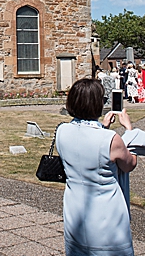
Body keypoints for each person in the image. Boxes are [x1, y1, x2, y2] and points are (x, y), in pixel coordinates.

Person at [56, 78, 137, 256]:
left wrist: (102, 127)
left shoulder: (61, 131)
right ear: (96, 103)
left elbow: (83, 143)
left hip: (75, 209)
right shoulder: (111, 139)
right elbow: (129, 164)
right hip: (105, 213)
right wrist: (130, 131)